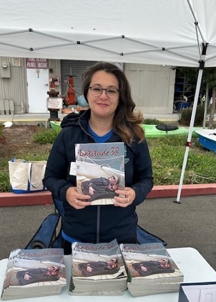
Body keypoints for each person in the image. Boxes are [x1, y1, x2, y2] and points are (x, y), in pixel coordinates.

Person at [43, 62, 153, 254]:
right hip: (75, 238)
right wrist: (66, 192)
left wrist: (135, 193)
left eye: (111, 90)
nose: (103, 96)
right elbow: (50, 178)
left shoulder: (134, 136)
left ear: (121, 96)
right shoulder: (68, 135)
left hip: (121, 238)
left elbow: (147, 180)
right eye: (97, 89)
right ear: (87, 93)